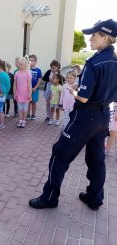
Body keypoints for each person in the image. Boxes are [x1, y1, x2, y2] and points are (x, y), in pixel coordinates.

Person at [29, 19, 117, 210]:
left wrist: (73, 91)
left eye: (94, 35)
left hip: (85, 117)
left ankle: (49, 197)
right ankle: (95, 198)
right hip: (102, 117)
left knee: (59, 154)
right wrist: (85, 89)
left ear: (106, 37)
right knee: (96, 159)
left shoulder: (95, 62)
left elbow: (83, 98)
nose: (90, 38)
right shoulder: (114, 61)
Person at [13, 57, 32, 128]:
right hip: (19, 94)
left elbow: (29, 84)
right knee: (20, 108)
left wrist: (29, 93)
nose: (19, 65)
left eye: (20, 64)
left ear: (25, 65)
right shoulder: (16, 73)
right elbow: (15, 84)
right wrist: (15, 93)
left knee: (25, 108)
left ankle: (24, 121)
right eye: (18, 64)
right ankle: (20, 120)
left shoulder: (28, 73)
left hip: (26, 94)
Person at [27, 54, 42, 120]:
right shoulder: (26, 70)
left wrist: (35, 87)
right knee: (28, 102)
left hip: (35, 89)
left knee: (34, 102)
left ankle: (33, 114)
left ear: (35, 61)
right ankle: (28, 114)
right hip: (27, 89)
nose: (30, 62)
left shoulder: (38, 70)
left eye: (32, 61)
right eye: (29, 61)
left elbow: (39, 80)